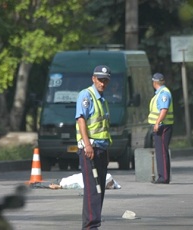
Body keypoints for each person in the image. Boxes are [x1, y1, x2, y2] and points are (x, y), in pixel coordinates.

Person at [75, 65, 112, 229]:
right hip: (90, 149)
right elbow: (81, 119)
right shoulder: (86, 95)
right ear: (93, 79)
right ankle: (90, 225)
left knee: (100, 189)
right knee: (93, 190)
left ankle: (94, 223)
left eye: (105, 80)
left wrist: (106, 150)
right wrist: (87, 144)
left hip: (101, 149)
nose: (102, 83)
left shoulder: (102, 100)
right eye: (100, 80)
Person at [148, 73, 174, 184]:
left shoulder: (163, 94)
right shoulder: (161, 93)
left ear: (154, 83)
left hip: (163, 126)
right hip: (162, 125)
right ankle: (163, 176)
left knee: (162, 152)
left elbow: (164, 110)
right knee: (160, 151)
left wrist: (157, 123)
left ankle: (163, 177)